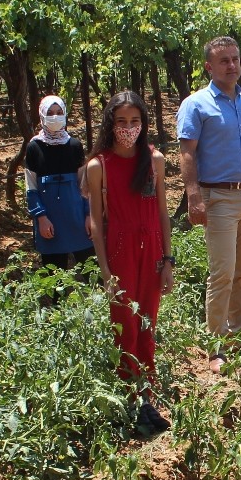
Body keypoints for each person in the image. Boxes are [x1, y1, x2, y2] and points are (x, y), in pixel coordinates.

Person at [178, 36, 241, 373]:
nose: (232, 65)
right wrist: (194, 197)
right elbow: (187, 153)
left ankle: (238, 335)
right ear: (209, 66)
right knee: (222, 273)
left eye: (235, 59)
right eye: (224, 61)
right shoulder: (196, 104)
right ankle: (215, 345)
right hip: (218, 197)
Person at [85, 91, 174, 433]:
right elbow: (97, 224)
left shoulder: (154, 160)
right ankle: (130, 399)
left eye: (134, 121)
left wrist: (168, 259)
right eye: (121, 121)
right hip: (120, 251)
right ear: (110, 123)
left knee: (148, 324)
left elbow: (163, 213)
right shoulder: (99, 166)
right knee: (125, 325)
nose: (128, 128)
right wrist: (106, 272)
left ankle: (147, 396)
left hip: (151, 251)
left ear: (144, 123)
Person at [23, 95, 93, 270]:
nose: (55, 117)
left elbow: (84, 184)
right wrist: (41, 218)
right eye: (50, 113)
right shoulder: (34, 148)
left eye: (59, 112)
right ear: (42, 115)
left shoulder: (75, 146)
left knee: (90, 269)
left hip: (76, 217)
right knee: (54, 275)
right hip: (50, 220)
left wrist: (88, 215)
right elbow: (31, 187)